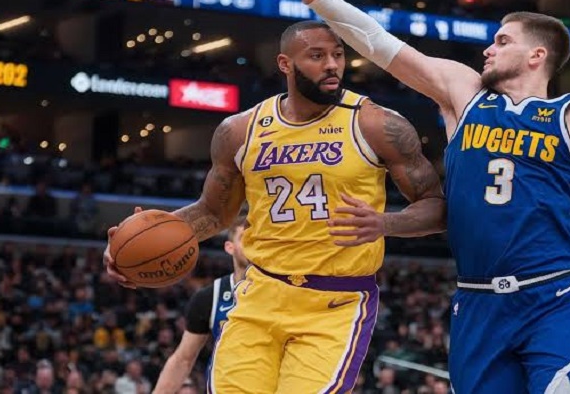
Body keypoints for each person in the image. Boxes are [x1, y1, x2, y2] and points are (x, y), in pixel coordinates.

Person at [208, 0, 570, 394]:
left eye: (502, 40)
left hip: (554, 294)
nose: (489, 49)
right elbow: (377, 42)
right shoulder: (464, 94)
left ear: (537, 55)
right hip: (476, 298)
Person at [104, 20, 446, 393]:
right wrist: (138, 236)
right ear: (285, 64)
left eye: (338, 55)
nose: (332, 65)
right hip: (259, 294)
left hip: (334, 302)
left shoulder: (377, 124)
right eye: (317, 56)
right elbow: (213, 213)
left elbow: (436, 207)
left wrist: (385, 224)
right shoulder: (239, 130)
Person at [153, 220, 250, 394]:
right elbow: (183, 359)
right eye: (245, 238)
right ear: (229, 247)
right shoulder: (210, 297)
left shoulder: (285, 291)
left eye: (257, 239)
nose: (252, 244)